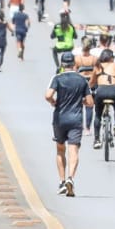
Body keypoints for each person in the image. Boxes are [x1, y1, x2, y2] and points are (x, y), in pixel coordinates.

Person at [46, 52, 89, 197]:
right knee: (73, 150)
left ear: (62, 64)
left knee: (60, 150)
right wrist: (81, 101)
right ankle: (70, 178)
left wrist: (53, 102)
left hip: (60, 118)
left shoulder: (57, 78)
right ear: (74, 64)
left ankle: (62, 181)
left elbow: (48, 95)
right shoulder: (82, 80)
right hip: (76, 119)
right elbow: (90, 102)